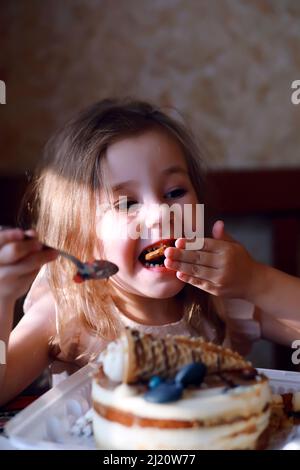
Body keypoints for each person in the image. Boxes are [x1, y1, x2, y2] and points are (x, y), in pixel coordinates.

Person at [0, 99, 299, 406]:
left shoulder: (221, 298)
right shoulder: (67, 311)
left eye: (174, 193)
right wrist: (3, 295)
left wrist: (254, 281)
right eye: (127, 203)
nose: (160, 214)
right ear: (78, 238)